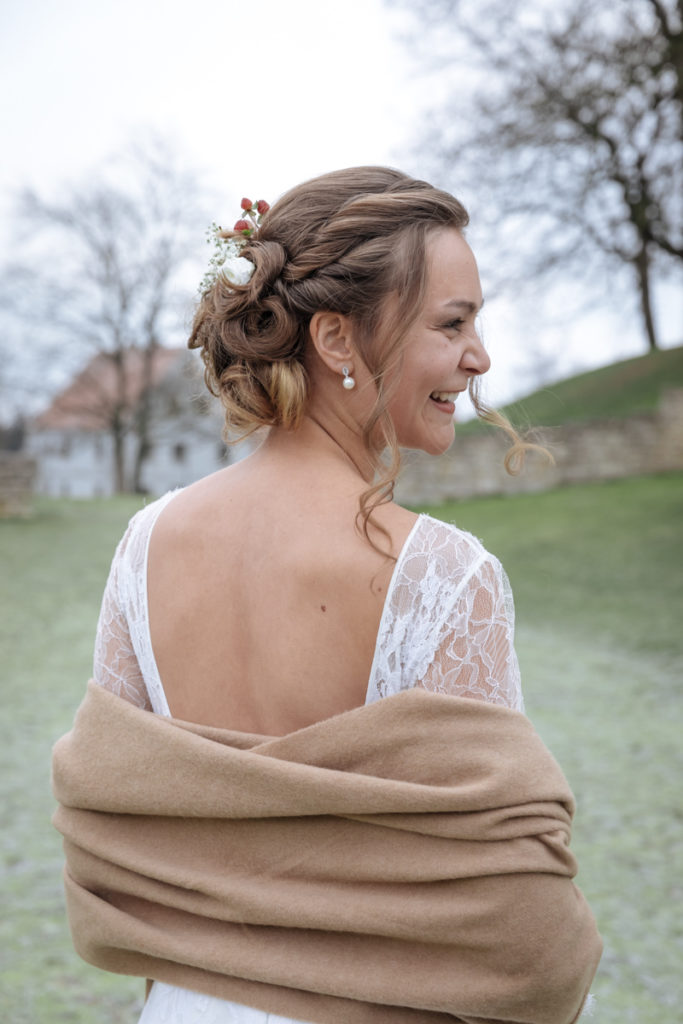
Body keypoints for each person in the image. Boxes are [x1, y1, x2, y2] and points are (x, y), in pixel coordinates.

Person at [53, 167, 601, 1024]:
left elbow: (115, 820)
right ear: (337, 340)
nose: (479, 357)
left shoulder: (145, 544)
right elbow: (514, 911)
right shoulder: (444, 577)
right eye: (451, 323)